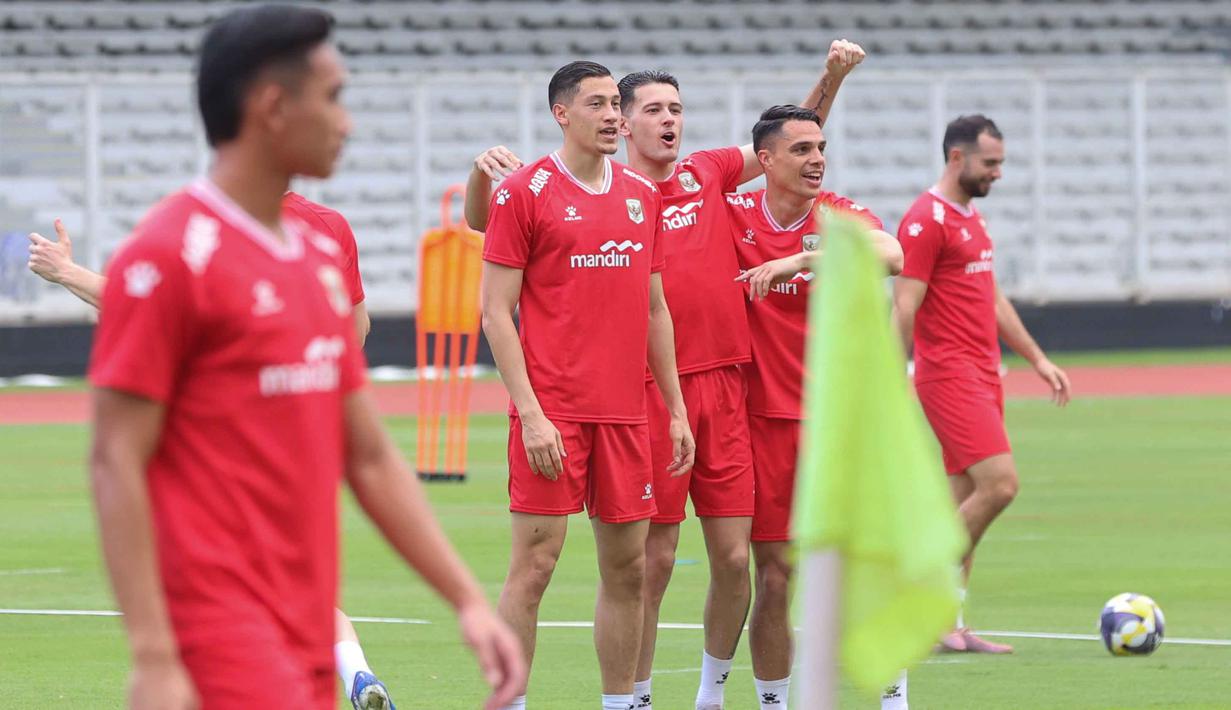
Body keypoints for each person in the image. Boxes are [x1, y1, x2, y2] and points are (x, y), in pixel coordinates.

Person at [85, 6, 524, 709]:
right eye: (333, 97)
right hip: (216, 625)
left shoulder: (319, 254)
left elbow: (370, 456)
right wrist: (155, 654)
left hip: (307, 618)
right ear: (271, 107)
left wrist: (466, 601)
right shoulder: (169, 255)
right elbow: (115, 460)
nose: (346, 121)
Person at [464, 40, 865, 710]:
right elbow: (492, 255)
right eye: (647, 109)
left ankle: (673, 698)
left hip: (686, 395)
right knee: (583, 562)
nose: (664, 119)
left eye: (675, 108)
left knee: (694, 562)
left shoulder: (681, 181)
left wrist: (830, 77)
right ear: (583, 115)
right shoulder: (551, 190)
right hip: (594, 398)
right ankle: (551, 698)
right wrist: (530, 409)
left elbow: (789, 141)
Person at [29, 188, 392, 710]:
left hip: (226, 447)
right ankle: (355, 671)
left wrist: (66, 272)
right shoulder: (329, 226)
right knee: (293, 584)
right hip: (302, 439)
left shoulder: (199, 227)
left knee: (214, 599)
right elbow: (355, 334)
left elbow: (142, 310)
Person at [479, 60, 695, 710]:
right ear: (561, 113)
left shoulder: (641, 193)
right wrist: (531, 413)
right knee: (534, 569)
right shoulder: (524, 191)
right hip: (552, 414)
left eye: (613, 104)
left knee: (628, 570)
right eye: (598, 104)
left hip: (627, 415)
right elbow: (495, 312)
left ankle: (619, 703)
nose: (611, 115)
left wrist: (677, 410)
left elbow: (654, 309)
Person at [728, 105, 902, 710]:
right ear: (765, 161)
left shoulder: (838, 215)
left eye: (821, 147)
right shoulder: (732, 216)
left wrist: (801, 260)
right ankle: (775, 703)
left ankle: (893, 697)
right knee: (775, 575)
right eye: (801, 149)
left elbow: (892, 253)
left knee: (865, 563)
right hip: (765, 422)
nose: (817, 159)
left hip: (840, 423)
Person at [893, 114, 1071, 655]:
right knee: (1000, 484)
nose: (997, 173)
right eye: (990, 163)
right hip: (947, 374)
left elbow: (991, 299)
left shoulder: (972, 219)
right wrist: (895, 373)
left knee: (967, 496)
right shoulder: (926, 220)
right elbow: (904, 304)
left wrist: (1037, 359)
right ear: (956, 158)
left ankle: (947, 623)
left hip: (982, 372)